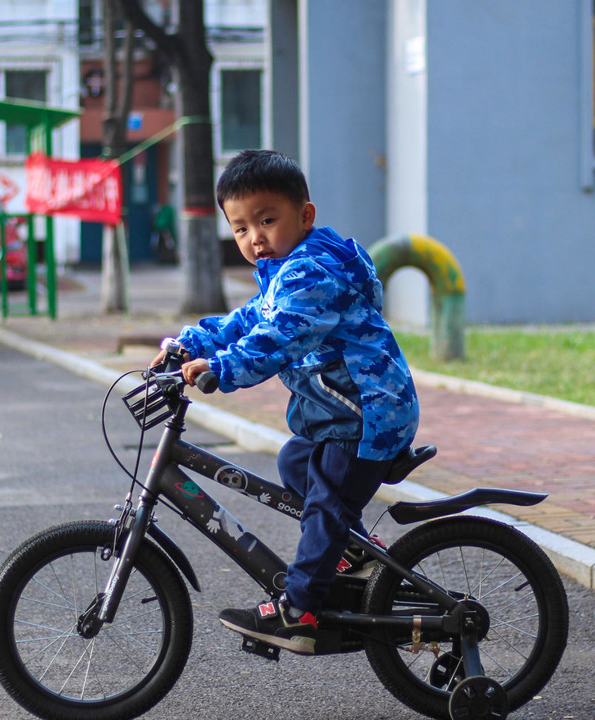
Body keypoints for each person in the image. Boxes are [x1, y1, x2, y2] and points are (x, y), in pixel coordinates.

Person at [151, 149, 419, 655]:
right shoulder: (281, 273)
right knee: (295, 461)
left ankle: (299, 612)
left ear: (305, 215)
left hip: (367, 415)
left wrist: (224, 369)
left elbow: (277, 338)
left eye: (267, 220)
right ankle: (355, 556)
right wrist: (191, 344)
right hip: (339, 415)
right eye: (241, 228)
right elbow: (247, 320)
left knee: (325, 501)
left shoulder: (311, 274)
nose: (255, 237)